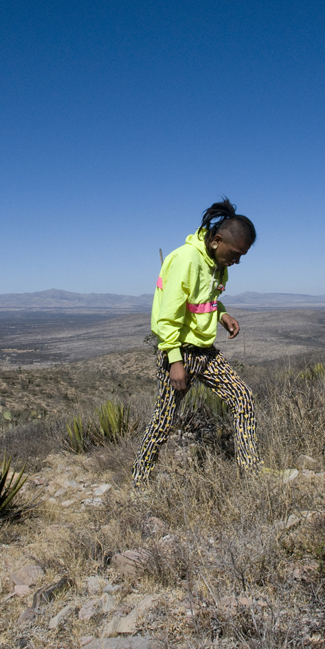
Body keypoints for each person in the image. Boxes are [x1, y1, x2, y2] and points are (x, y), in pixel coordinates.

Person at [132, 198, 261, 487]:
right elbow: (168, 316)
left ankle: (251, 473)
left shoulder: (218, 263)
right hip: (179, 353)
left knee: (243, 399)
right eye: (236, 253)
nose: (237, 261)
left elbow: (208, 299)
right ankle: (140, 482)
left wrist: (223, 315)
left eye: (242, 256)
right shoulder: (185, 260)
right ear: (216, 241)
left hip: (206, 353)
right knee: (164, 421)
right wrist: (175, 361)